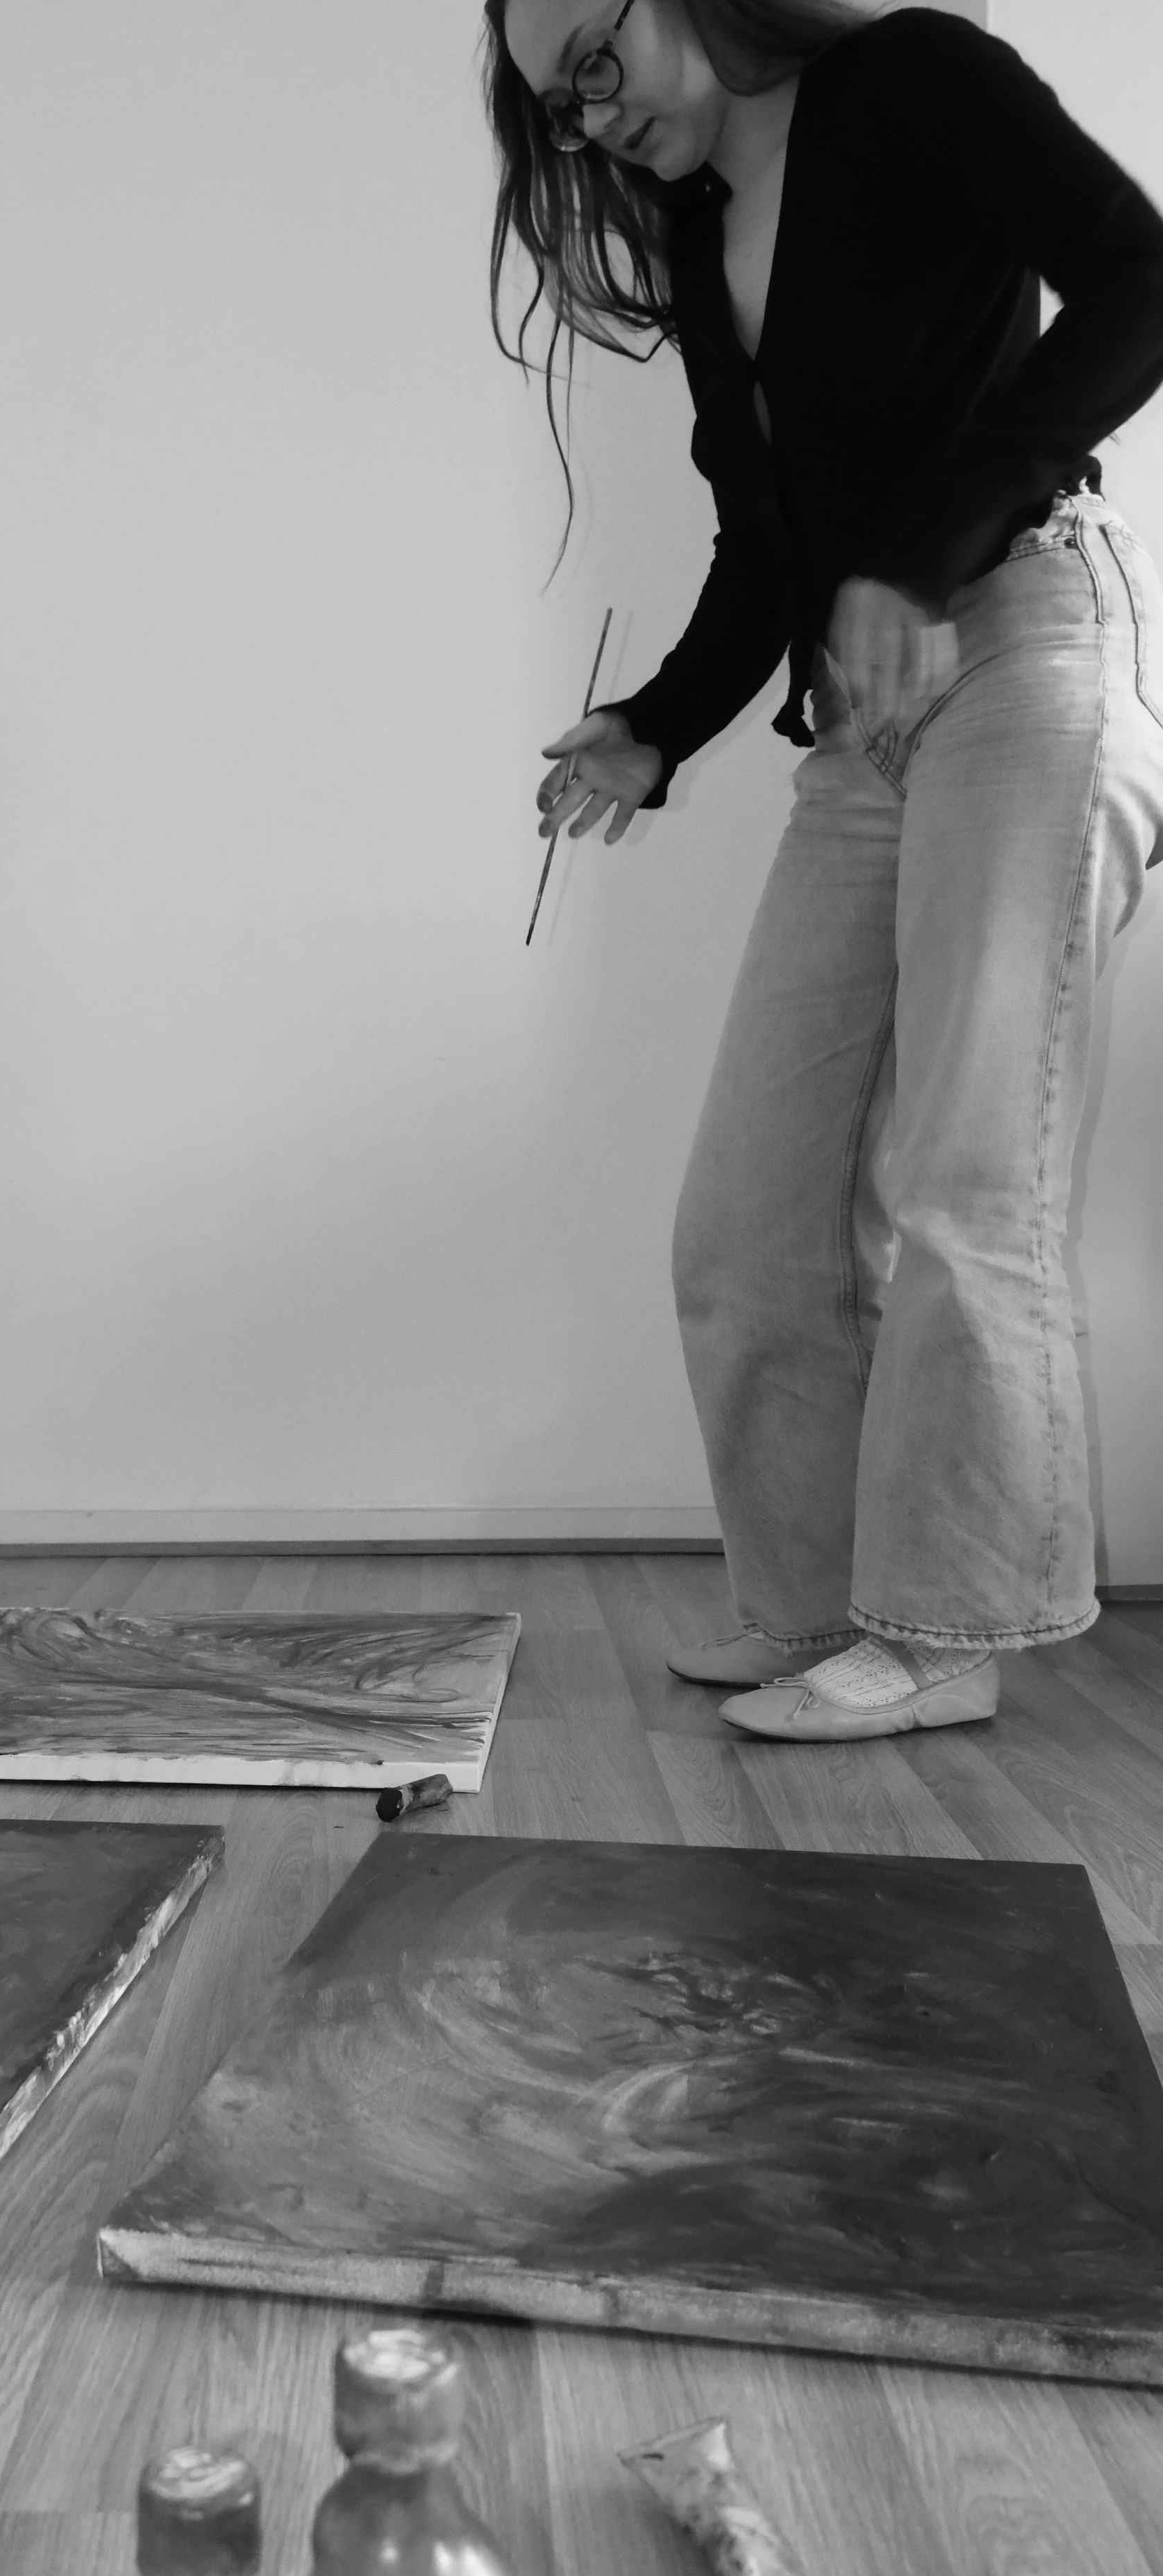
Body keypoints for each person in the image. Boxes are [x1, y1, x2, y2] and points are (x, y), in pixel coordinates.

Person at [483, 0, 1163, 1740]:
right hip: (865, 714)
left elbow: (1139, 278)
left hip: (1021, 639)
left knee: (965, 1174)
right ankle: (810, 1609)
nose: (582, 120)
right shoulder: (701, 234)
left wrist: (923, 554)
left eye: (588, 62)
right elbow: (762, 549)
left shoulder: (911, 79)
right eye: (550, 106)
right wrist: (650, 726)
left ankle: (941, 1633)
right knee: (747, 1212)